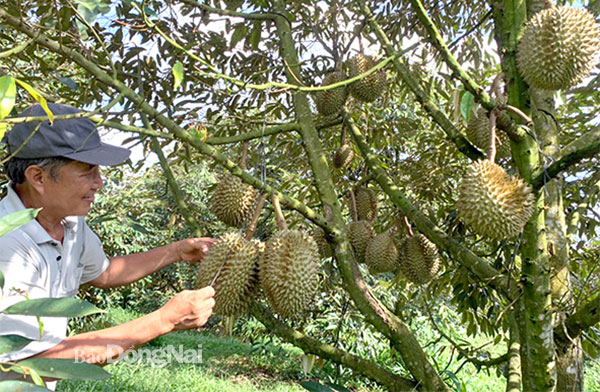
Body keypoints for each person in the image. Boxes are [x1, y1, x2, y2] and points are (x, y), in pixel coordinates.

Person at [0, 103, 216, 387]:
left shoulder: (69, 222)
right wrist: (165, 319)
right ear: (38, 177)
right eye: (88, 171)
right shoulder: (9, 246)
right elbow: (26, 365)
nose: (99, 183)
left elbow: (104, 273)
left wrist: (175, 251)